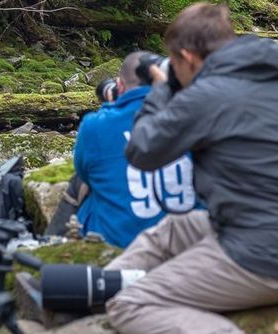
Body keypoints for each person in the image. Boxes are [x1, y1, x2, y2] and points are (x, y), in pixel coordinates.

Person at [104, 3, 278, 334]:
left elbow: (142, 151)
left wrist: (162, 90)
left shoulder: (208, 95)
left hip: (268, 257)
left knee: (129, 306)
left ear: (188, 57)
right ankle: (99, 286)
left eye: (176, 66)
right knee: (175, 228)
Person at [72, 51, 197, 248]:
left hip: (116, 246)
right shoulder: (198, 115)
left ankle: (52, 244)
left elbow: (84, 174)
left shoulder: (94, 126)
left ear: (119, 85)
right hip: (190, 244)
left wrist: (111, 109)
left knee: (81, 180)